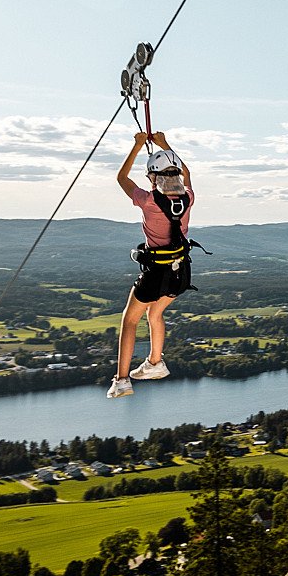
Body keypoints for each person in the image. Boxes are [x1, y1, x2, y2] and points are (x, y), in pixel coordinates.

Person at [108, 130, 195, 398]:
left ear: (153, 177)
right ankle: (155, 363)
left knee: (129, 320)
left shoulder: (148, 201)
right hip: (180, 272)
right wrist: (164, 145)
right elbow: (187, 174)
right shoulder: (188, 197)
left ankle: (122, 380)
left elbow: (121, 178)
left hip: (156, 272)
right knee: (155, 314)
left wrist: (136, 146)